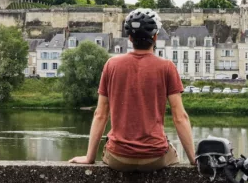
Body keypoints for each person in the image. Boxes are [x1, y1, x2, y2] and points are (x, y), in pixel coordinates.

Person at [69, 9, 195, 170]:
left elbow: (100, 114)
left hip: (117, 157)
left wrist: (89, 157)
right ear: (155, 37)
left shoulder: (111, 65)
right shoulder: (167, 67)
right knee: (173, 153)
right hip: (154, 157)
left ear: (129, 38)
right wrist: (193, 159)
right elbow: (180, 117)